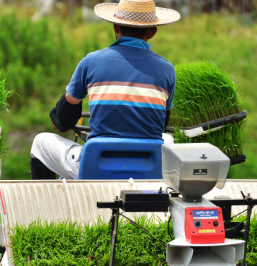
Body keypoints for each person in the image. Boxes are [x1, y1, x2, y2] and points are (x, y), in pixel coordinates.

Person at [30, 0, 180, 180]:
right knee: (168, 140)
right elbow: (161, 124)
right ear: (152, 31)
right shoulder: (167, 70)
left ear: (115, 27)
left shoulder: (91, 62)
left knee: (40, 142)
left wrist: (60, 120)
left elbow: (63, 121)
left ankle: (50, 207)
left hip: (96, 166)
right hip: (149, 168)